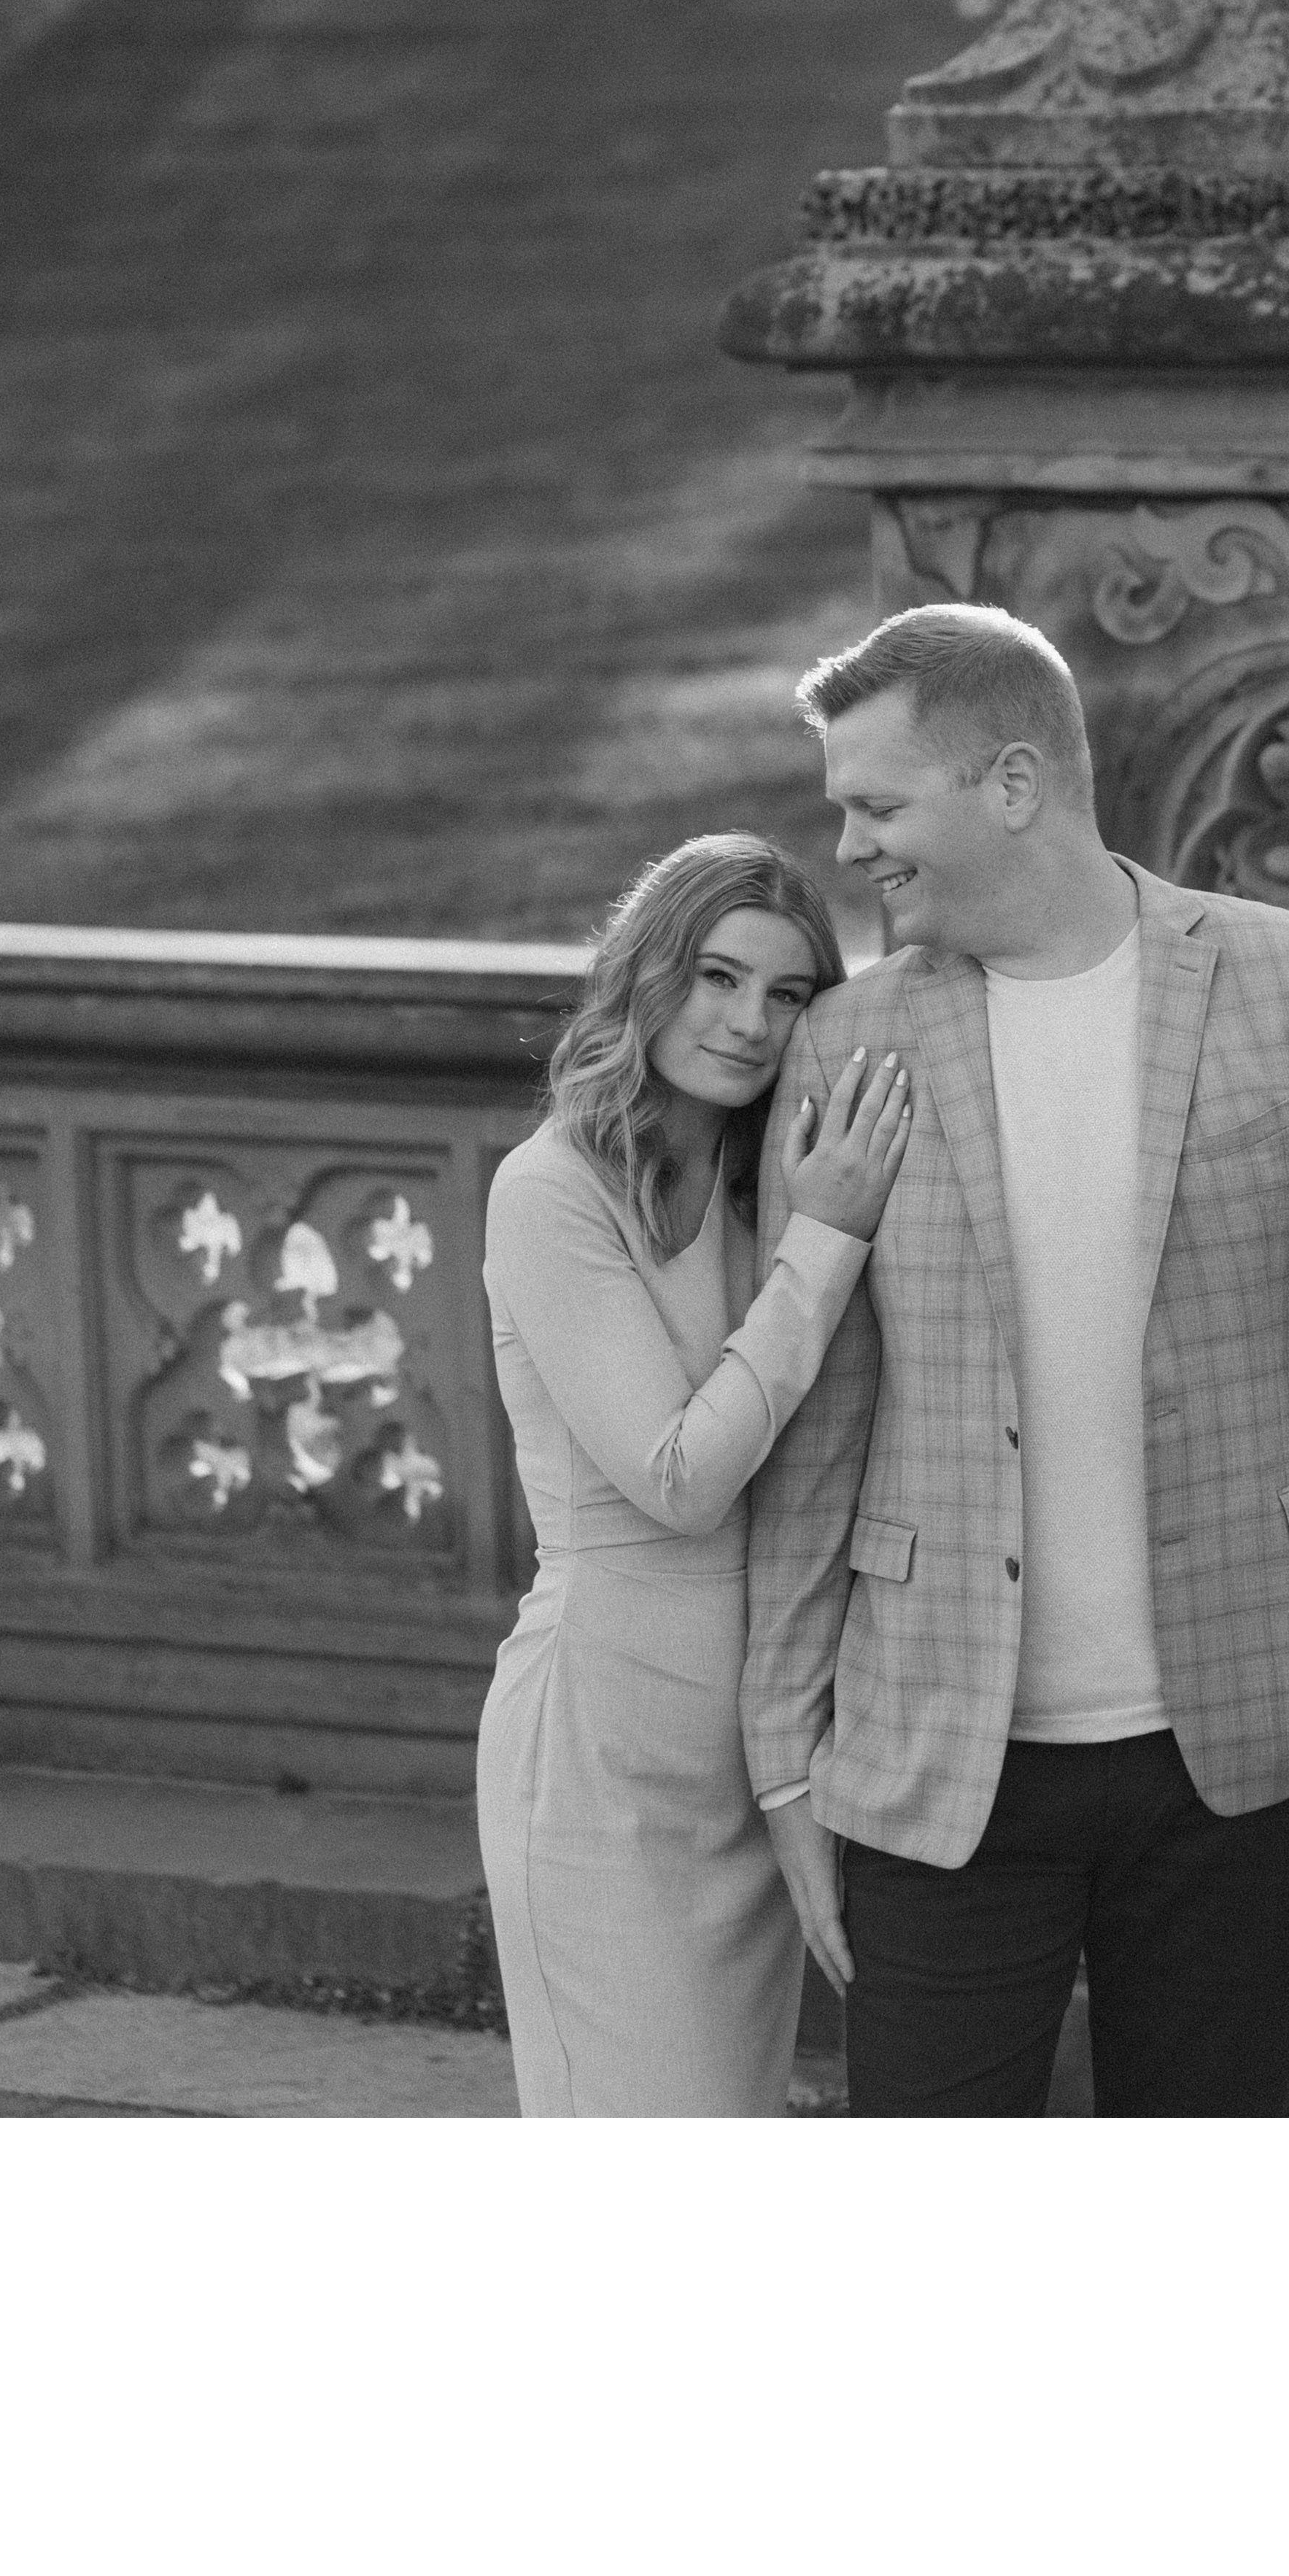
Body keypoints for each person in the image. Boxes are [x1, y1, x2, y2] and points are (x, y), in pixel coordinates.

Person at [741, 604, 1289, 2117]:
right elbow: (819, 1418)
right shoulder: (847, 1042)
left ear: (1013, 784)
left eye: (878, 806)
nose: (852, 848)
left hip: (1247, 1747)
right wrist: (785, 1757)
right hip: (934, 1756)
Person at [477, 832, 913, 2114]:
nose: (749, 1023)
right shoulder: (550, 1190)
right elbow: (679, 1477)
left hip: (750, 1756)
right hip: (602, 1756)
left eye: (787, 993)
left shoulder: (766, 1183)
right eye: (719, 978)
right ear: (650, 974)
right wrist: (827, 1242)